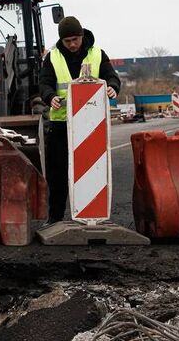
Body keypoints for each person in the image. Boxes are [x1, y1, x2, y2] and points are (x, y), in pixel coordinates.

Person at [39, 15, 121, 225]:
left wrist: (113, 87)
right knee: (57, 174)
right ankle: (55, 217)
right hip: (61, 124)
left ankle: (91, 216)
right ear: (62, 40)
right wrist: (50, 97)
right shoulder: (53, 57)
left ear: (82, 35)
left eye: (75, 39)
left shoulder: (97, 54)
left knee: (92, 169)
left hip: (90, 124)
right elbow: (45, 83)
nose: (72, 44)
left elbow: (111, 76)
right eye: (68, 41)